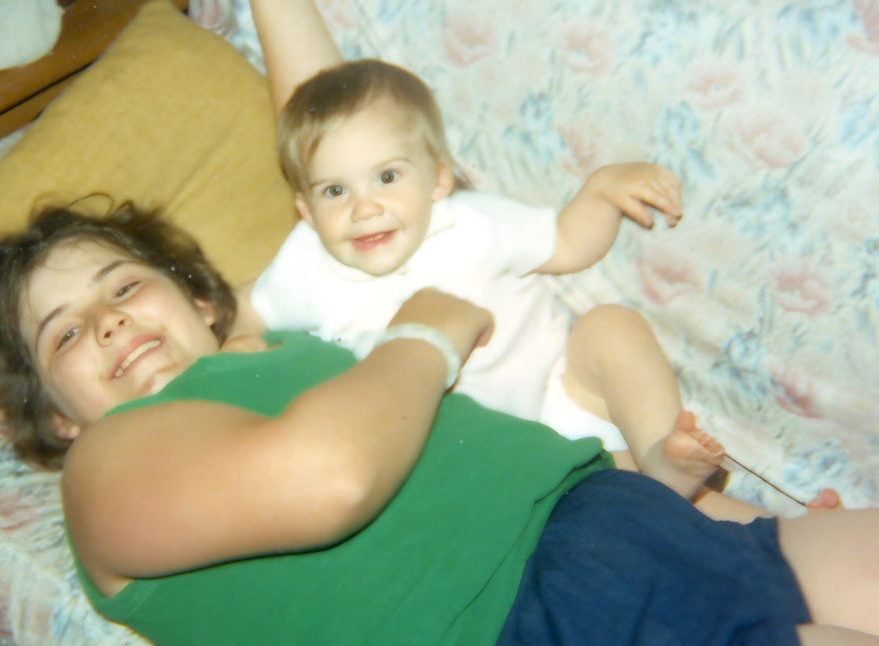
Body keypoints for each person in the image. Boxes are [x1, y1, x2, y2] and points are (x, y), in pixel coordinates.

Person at [0, 1, 879, 646]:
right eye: (66, 335)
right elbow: (330, 476)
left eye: (124, 286)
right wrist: (427, 333)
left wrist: (742, 518)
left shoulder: (303, 343)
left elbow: (335, 141)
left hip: (625, 529)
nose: (110, 321)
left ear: (204, 300)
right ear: (57, 418)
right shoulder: (108, 466)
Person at [241, 57, 837, 518]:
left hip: (565, 392)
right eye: (335, 191)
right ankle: (774, 528)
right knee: (667, 507)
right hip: (488, 461)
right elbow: (246, 312)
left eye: (388, 177)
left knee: (611, 326)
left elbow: (567, 243)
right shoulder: (305, 267)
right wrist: (237, 344)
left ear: (439, 178)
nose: (364, 207)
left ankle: (664, 454)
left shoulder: (470, 224)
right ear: (305, 209)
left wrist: (601, 191)